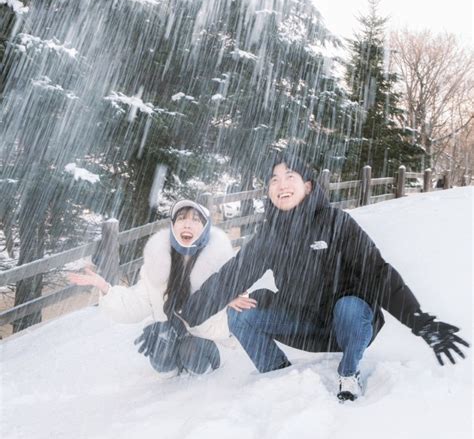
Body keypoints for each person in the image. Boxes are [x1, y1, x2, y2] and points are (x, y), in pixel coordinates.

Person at [174, 150, 469, 401]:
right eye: (274, 179)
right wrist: (186, 315)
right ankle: (280, 377)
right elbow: (231, 276)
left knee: (350, 307)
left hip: (348, 325)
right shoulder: (270, 234)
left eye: (290, 176)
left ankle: (348, 374)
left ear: (309, 186)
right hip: (304, 323)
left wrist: (420, 322)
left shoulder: (336, 223)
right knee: (240, 313)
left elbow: (379, 273)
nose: (281, 184)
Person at [68, 199, 256, 378]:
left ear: (205, 229)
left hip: (211, 343)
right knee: (160, 340)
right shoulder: (157, 265)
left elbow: (238, 317)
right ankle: (170, 372)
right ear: (173, 227)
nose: (187, 224)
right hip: (173, 341)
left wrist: (223, 299)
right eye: (181, 218)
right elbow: (138, 304)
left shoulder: (222, 265)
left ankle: (198, 380)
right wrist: (105, 287)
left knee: (191, 350)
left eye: (195, 220)